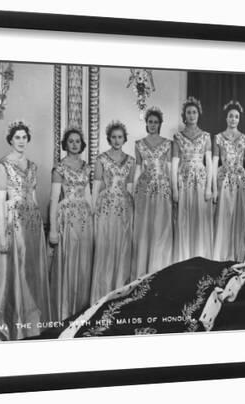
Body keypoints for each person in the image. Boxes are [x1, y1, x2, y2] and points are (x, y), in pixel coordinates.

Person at [0, 120, 50, 342]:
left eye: (24, 137)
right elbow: (1, 201)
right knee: (11, 272)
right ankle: (6, 323)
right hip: (11, 223)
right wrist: (2, 236)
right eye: (17, 137)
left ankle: (29, 324)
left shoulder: (33, 166)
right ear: (10, 139)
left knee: (29, 273)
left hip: (31, 225)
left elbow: (34, 198)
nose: (21, 141)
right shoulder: (3, 165)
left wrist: (40, 231)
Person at [49, 127, 94, 320]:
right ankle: (65, 311)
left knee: (84, 262)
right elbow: (53, 199)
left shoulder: (86, 167)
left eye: (77, 141)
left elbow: (89, 195)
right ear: (65, 144)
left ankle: (81, 310)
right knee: (68, 260)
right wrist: (52, 230)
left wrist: (94, 218)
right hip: (66, 218)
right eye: (71, 141)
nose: (74, 144)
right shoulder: (59, 168)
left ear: (81, 144)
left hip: (85, 218)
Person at [90, 121, 135, 304]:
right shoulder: (101, 159)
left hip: (125, 208)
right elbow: (96, 187)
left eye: (120, 137)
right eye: (114, 137)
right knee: (106, 248)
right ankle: (102, 295)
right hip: (106, 208)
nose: (117, 140)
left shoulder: (131, 160)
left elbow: (131, 188)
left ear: (124, 139)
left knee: (123, 249)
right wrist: (92, 210)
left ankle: (119, 294)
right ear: (109, 139)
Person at [131, 106, 173, 279]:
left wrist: (173, 189)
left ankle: (160, 269)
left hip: (162, 188)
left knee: (161, 228)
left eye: (156, 122)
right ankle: (143, 270)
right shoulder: (139, 144)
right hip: (145, 189)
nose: (153, 125)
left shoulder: (168, 143)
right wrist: (133, 189)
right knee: (145, 228)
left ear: (160, 124)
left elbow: (169, 168)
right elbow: (138, 169)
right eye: (150, 122)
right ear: (146, 124)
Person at [212, 100, 245, 262]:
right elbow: (215, 161)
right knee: (224, 215)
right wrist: (214, 188)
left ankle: (238, 253)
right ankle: (222, 254)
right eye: (231, 116)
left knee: (239, 216)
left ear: (239, 119)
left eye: (236, 117)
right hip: (223, 180)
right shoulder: (218, 138)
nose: (233, 119)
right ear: (226, 118)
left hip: (239, 181)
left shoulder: (244, 139)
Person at [171, 96, 214, 261]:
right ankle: (184, 256)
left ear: (198, 114)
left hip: (201, 179)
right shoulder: (178, 137)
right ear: (184, 115)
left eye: (194, 112)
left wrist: (209, 187)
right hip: (184, 178)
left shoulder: (206, 136)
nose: (191, 115)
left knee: (200, 217)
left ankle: (201, 254)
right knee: (185, 216)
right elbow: (175, 163)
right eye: (188, 112)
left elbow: (209, 162)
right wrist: (175, 189)